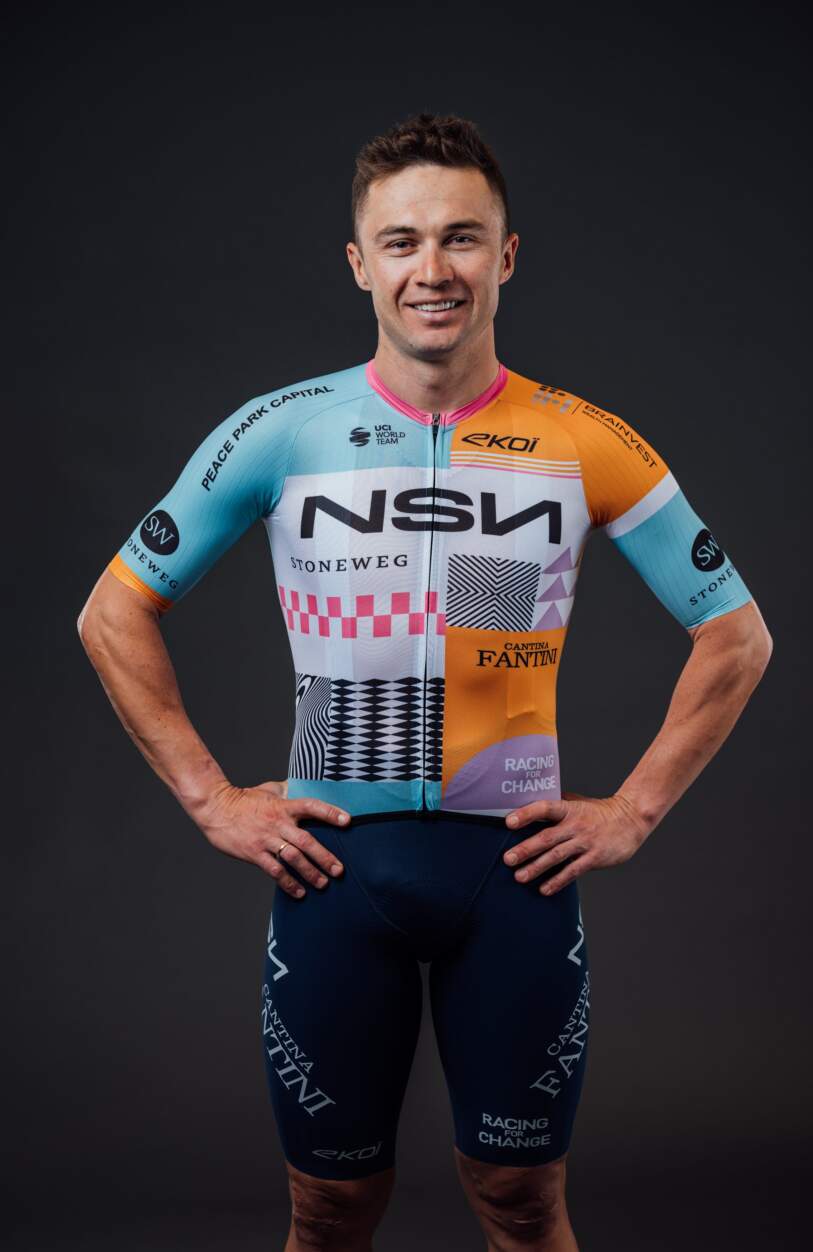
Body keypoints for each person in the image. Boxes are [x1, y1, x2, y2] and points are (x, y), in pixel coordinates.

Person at [78, 112, 772, 1252]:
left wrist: (636, 808)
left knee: (523, 1203)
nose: (432, 268)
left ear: (506, 255)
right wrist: (209, 796)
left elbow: (736, 635)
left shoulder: (583, 437)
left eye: (461, 237)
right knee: (329, 1209)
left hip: (514, 877)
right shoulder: (282, 430)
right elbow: (113, 610)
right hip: (335, 874)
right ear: (361, 264)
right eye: (401, 242)